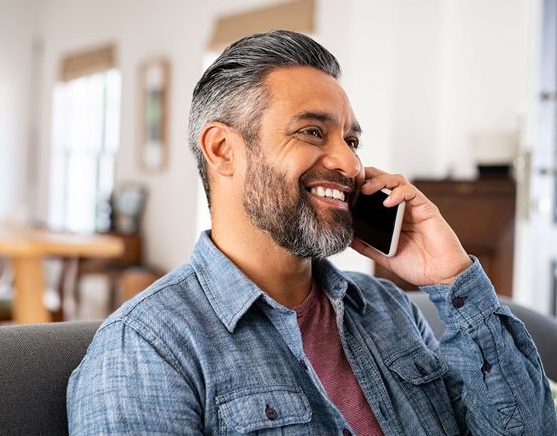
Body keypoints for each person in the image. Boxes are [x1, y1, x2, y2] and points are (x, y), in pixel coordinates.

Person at [67, 30, 557, 435]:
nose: (348, 161)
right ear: (222, 150)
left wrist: (453, 280)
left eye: (351, 139)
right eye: (311, 132)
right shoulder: (147, 348)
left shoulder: (390, 309)